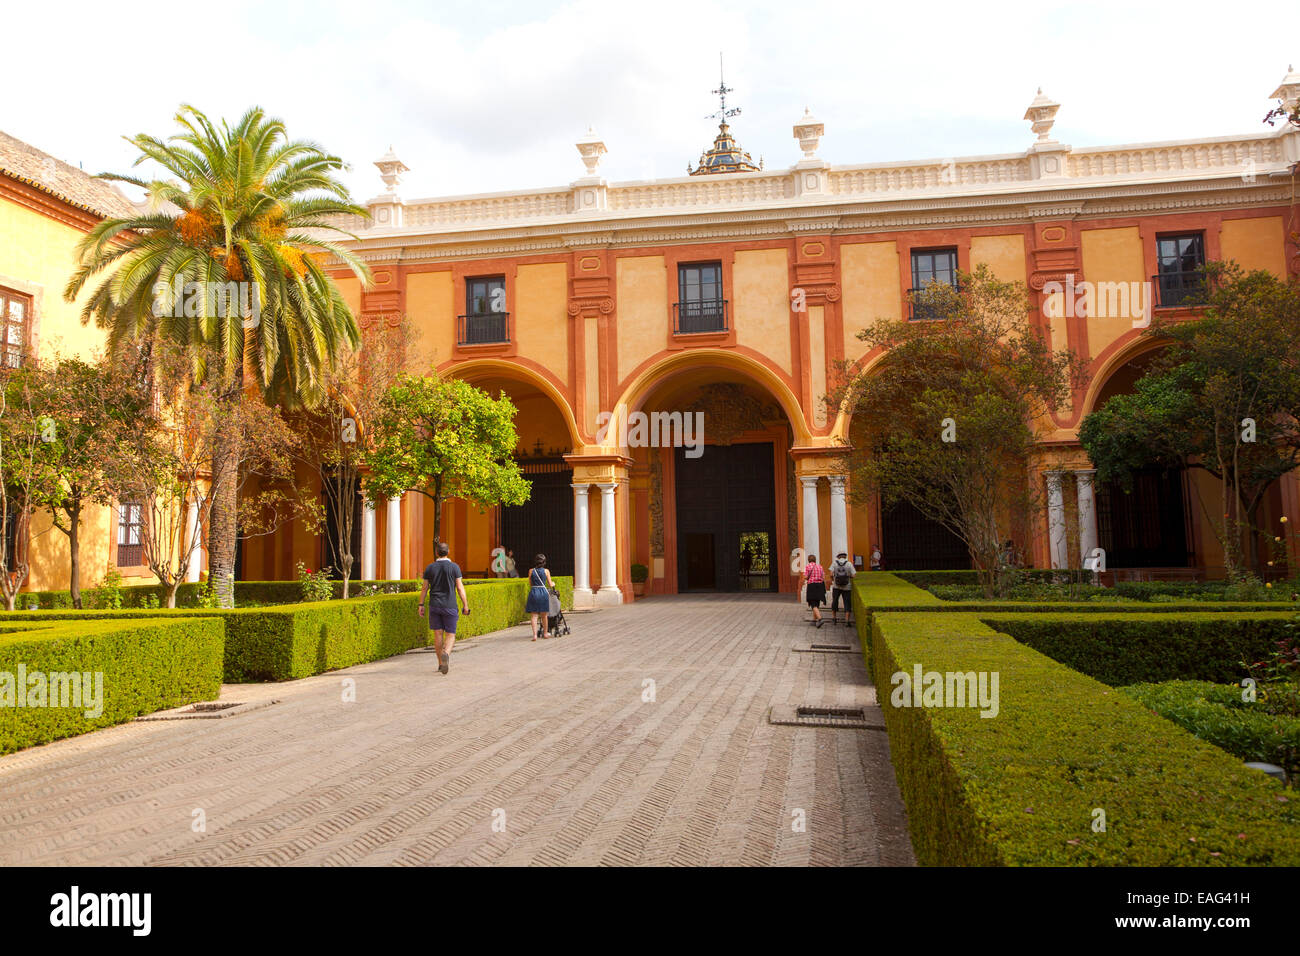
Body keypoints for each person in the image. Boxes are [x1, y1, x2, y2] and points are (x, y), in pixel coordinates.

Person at [418, 541, 471, 675]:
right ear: (448, 552)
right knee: (451, 634)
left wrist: (421, 604)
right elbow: (459, 587)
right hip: (450, 605)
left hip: (434, 605)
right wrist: (465, 605)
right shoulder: (454, 567)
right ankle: (446, 653)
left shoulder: (430, 568)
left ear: (437, 552)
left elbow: (424, 588)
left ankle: (441, 664)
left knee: (438, 634)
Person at [526, 553, 555, 641]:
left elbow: (530, 584)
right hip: (543, 592)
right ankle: (545, 633)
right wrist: (553, 583)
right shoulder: (546, 571)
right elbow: (550, 584)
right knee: (544, 615)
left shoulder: (531, 571)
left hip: (534, 592)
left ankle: (534, 635)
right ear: (544, 562)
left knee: (534, 615)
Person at [829, 552, 856, 625]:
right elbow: (854, 575)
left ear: (838, 557)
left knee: (835, 601)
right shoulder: (849, 564)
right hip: (847, 586)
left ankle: (834, 618)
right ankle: (847, 620)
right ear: (845, 556)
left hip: (836, 586)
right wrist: (848, 576)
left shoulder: (834, 563)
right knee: (847, 603)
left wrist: (833, 580)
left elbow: (831, 574)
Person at [800, 554, 827, 628]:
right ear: (815, 560)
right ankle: (814, 620)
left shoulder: (808, 566)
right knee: (817, 602)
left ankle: (820, 619)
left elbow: (805, 577)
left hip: (812, 586)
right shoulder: (820, 566)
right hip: (820, 586)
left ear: (809, 560)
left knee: (813, 603)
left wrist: (806, 577)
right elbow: (823, 576)